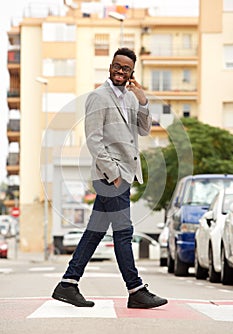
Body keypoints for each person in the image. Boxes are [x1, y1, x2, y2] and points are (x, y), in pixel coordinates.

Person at [52, 47, 168, 309]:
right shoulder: (98, 96)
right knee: (124, 232)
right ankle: (136, 289)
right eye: (117, 65)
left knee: (95, 232)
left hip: (125, 174)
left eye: (125, 68)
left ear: (131, 73)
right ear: (110, 66)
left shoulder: (129, 98)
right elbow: (93, 140)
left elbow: (144, 130)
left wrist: (143, 101)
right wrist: (114, 175)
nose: (120, 71)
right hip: (111, 176)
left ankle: (68, 283)